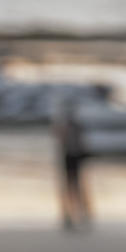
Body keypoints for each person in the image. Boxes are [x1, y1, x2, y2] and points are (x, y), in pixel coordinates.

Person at [50, 93, 92, 231]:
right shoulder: (73, 125)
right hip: (70, 157)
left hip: (71, 157)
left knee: (74, 188)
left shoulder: (71, 126)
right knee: (73, 188)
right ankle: (72, 215)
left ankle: (76, 215)